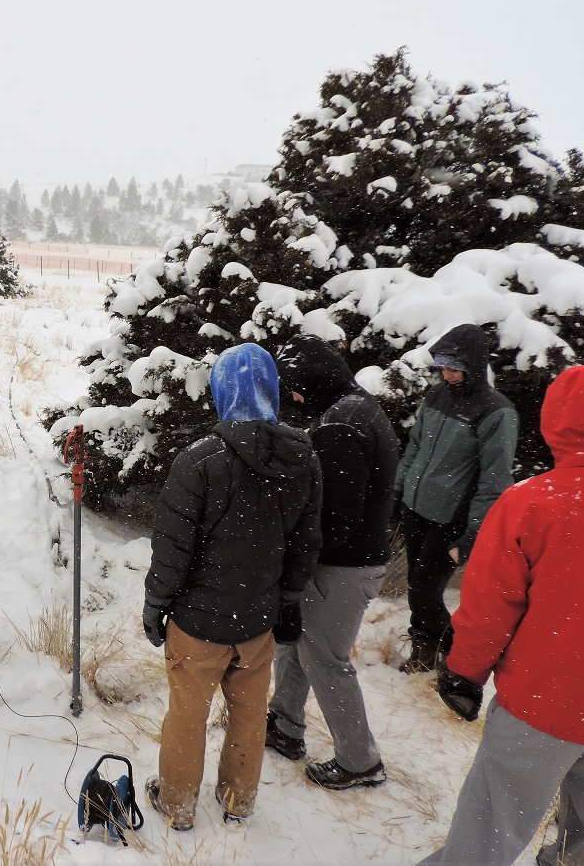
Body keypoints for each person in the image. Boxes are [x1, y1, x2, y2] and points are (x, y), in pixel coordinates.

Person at [418, 364, 584, 866]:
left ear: (557, 421)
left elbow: (488, 609)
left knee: (486, 834)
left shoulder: (532, 503)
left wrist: (463, 672)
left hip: (545, 703)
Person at [143, 342, 322, 829]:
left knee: (188, 712)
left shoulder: (200, 460)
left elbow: (172, 548)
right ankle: (237, 800)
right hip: (257, 620)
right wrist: (287, 599)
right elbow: (306, 542)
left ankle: (178, 805)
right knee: (248, 710)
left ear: (222, 390)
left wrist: (156, 602)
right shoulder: (302, 458)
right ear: (272, 390)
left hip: (198, 621)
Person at [265, 334, 400, 791]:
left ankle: (359, 761)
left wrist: (300, 559)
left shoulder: (340, 426)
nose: (294, 397)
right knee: (296, 643)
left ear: (312, 379)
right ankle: (284, 726)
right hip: (352, 561)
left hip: (342, 567)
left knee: (324, 658)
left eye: (295, 386)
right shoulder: (359, 408)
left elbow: (337, 517)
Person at [394, 323, 518, 673]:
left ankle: (462, 660)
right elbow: (415, 446)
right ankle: (424, 654)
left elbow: (495, 479)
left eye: (454, 367)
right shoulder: (437, 395)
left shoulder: (496, 411)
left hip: (453, 518)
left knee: (423, 593)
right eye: (442, 366)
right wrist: (398, 490)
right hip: (417, 508)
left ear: (474, 365)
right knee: (418, 588)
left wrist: (473, 531)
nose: (446, 374)